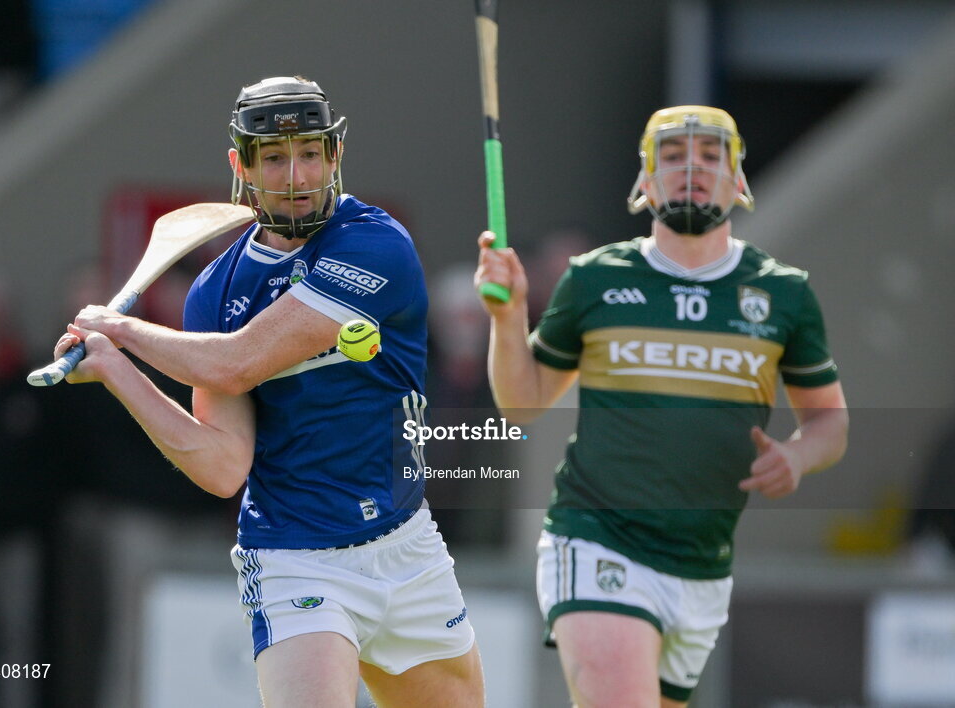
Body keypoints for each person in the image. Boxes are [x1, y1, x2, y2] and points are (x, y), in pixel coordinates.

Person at [54, 76, 484, 708]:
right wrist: (119, 371)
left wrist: (122, 328)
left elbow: (238, 362)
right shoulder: (214, 295)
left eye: (310, 153)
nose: (295, 175)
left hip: (407, 545)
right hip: (295, 559)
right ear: (242, 166)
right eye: (275, 157)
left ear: (334, 156)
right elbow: (224, 466)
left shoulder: (373, 244)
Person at [475, 105, 849, 707]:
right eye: (673, 157)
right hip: (598, 538)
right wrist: (507, 315)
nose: (692, 169)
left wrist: (800, 457)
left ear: (739, 180)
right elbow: (522, 405)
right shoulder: (594, 279)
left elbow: (829, 421)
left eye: (710, 157)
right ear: (645, 180)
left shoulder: (785, 293)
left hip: (702, 566)